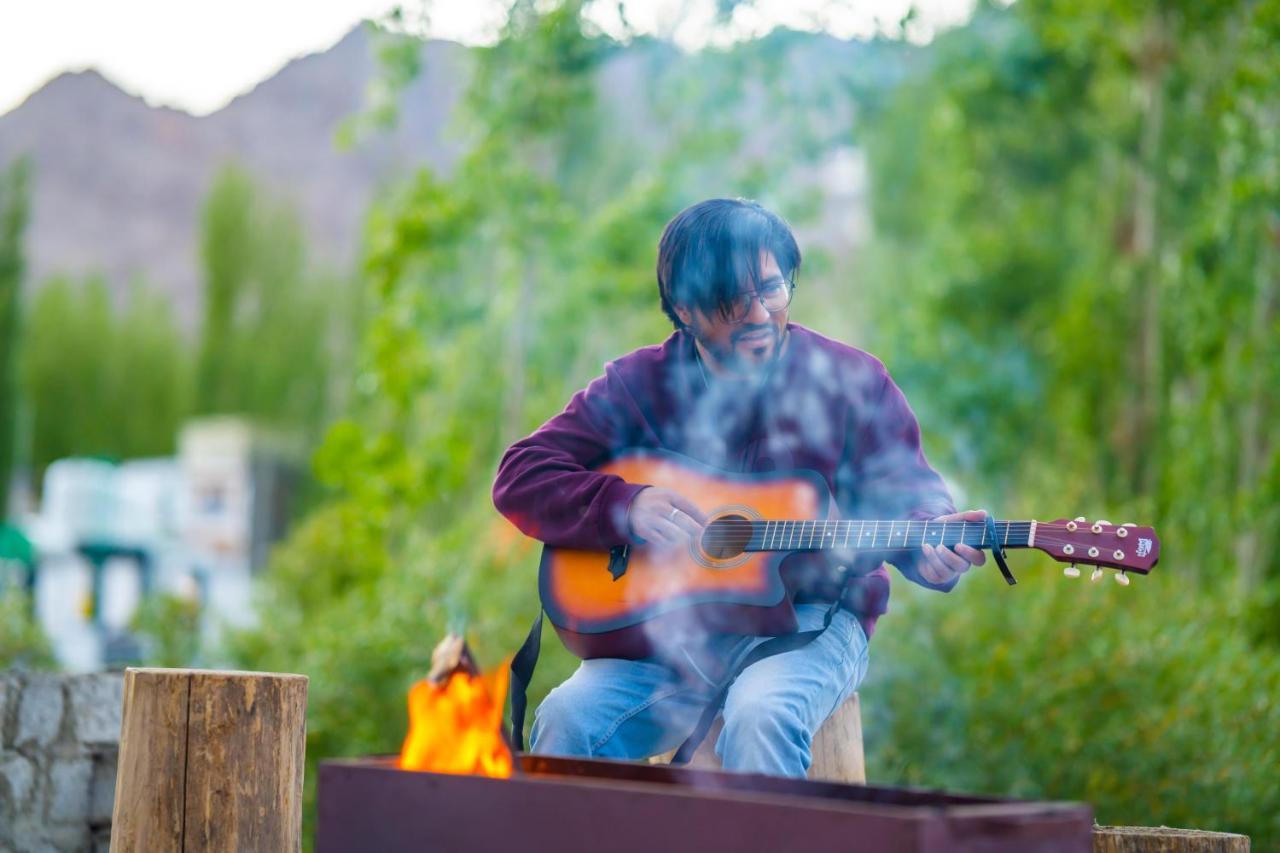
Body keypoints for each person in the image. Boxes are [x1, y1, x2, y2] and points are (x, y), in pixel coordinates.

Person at [492, 198, 987, 777]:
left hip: (811, 620)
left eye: (773, 289)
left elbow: (911, 494)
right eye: (733, 300)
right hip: (670, 640)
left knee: (761, 714)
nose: (759, 313)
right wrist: (626, 506)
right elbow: (521, 472)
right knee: (566, 719)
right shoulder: (637, 385)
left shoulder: (852, 381)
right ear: (684, 308)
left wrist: (933, 550)